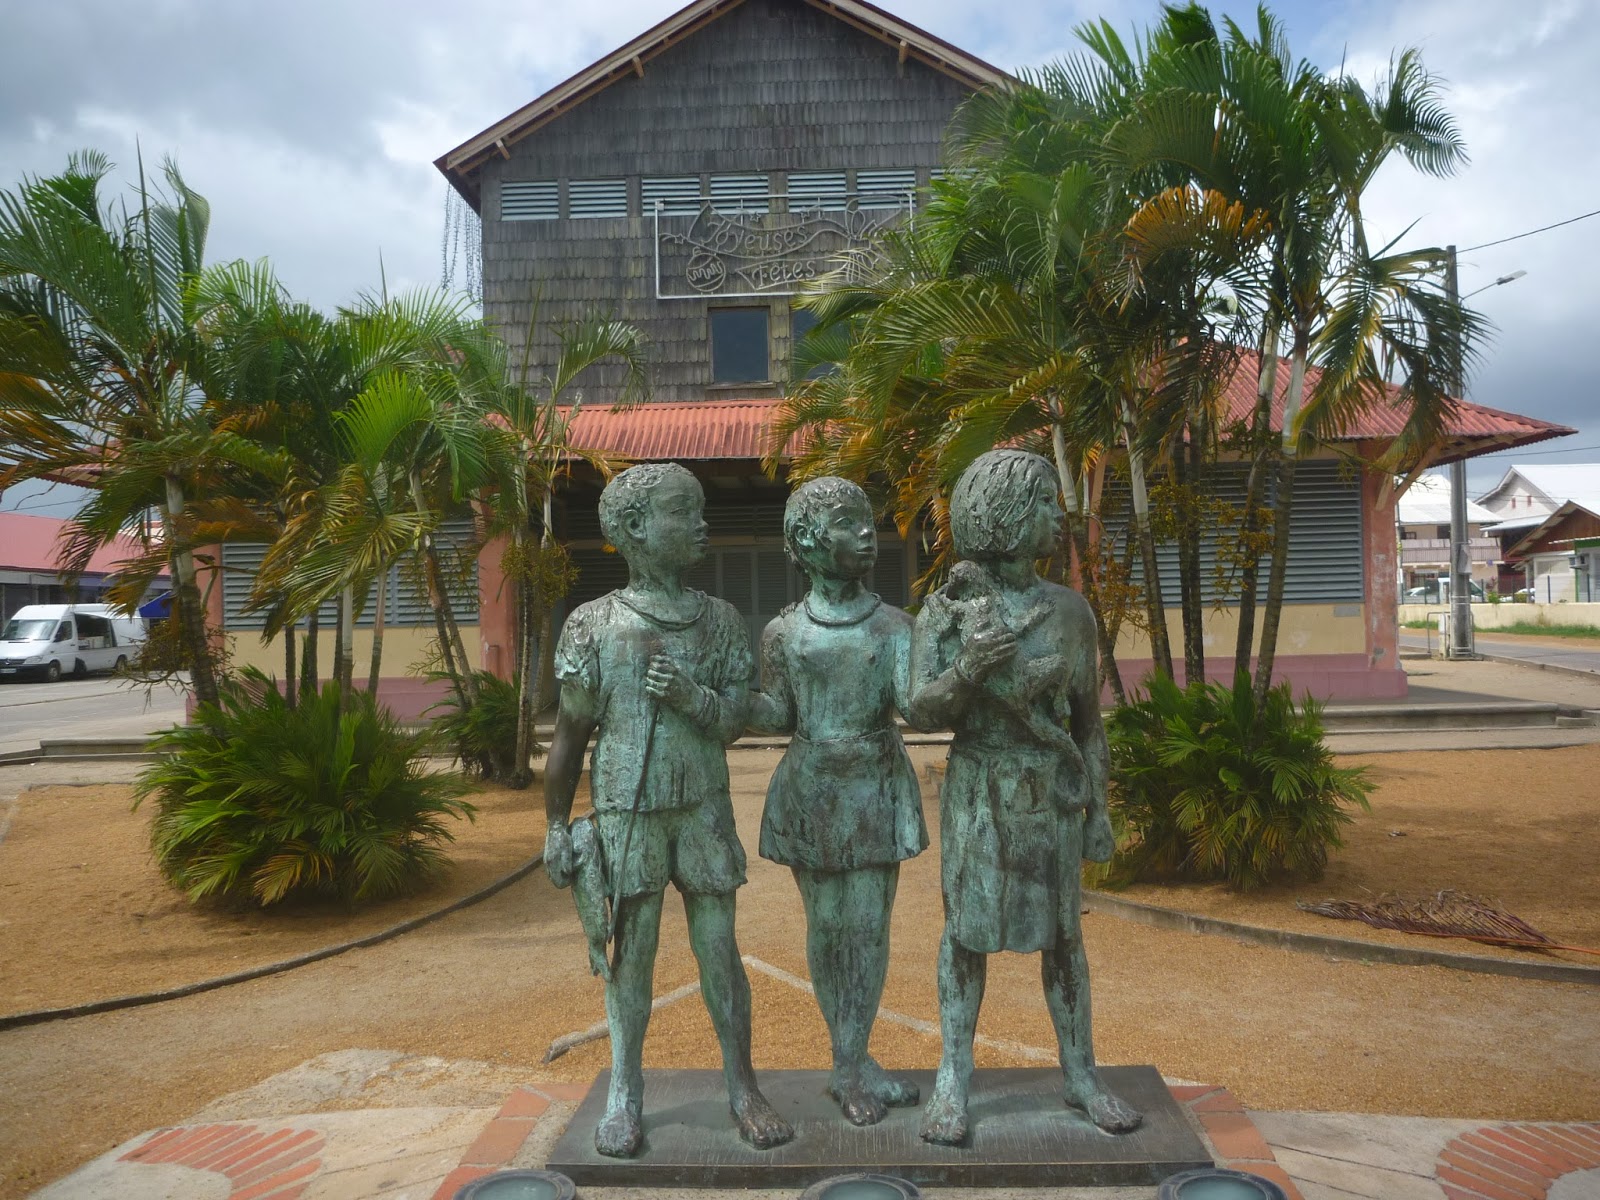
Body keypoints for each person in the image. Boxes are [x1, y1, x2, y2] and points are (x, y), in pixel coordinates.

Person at [542, 462, 792, 1158]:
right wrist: (555, 826)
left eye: (699, 510)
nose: (701, 523)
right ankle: (625, 1089)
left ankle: (742, 1084)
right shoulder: (594, 625)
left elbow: (735, 719)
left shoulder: (719, 621)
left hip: (703, 807)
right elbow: (569, 737)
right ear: (633, 530)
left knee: (720, 951)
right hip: (628, 806)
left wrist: (690, 697)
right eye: (684, 511)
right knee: (633, 956)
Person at [910, 449, 1141, 1144]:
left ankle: (1082, 1074)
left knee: (1065, 938)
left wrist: (1098, 810)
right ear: (1005, 515)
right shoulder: (947, 611)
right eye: (1043, 503)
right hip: (980, 786)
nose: (1057, 516)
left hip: (1050, 791)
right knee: (964, 936)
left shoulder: (1070, 613)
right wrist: (967, 669)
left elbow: (1088, 725)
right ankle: (953, 1076)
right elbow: (921, 709)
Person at [747, 477, 925, 1126]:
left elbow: (919, 706)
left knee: (869, 928)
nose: (865, 532)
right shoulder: (783, 634)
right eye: (848, 523)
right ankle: (847, 1061)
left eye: (866, 520)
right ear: (806, 543)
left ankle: (854, 1061)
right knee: (827, 929)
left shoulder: (895, 625)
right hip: (811, 791)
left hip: (877, 785)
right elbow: (775, 714)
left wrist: (960, 652)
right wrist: (720, 702)